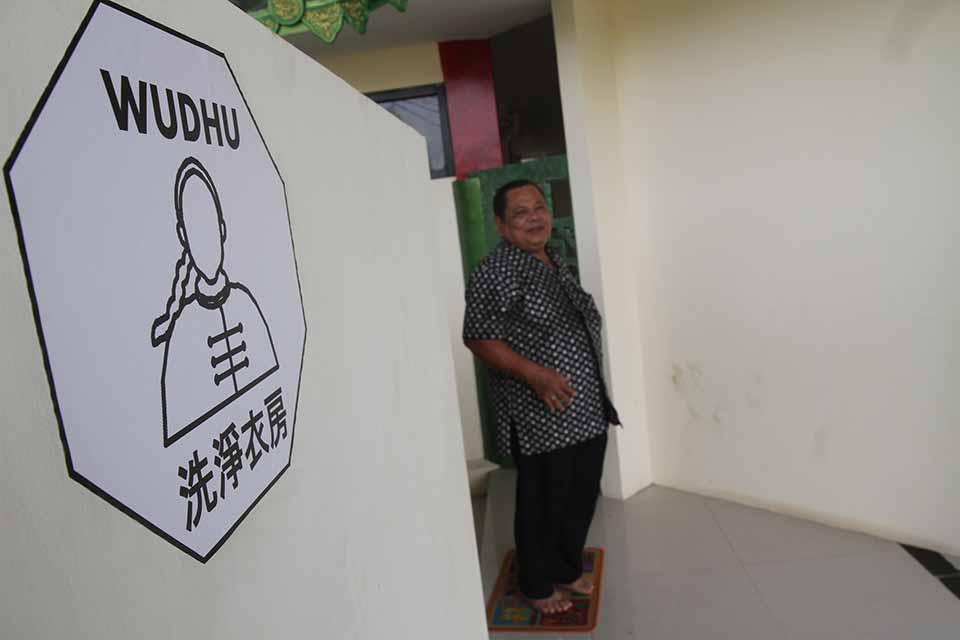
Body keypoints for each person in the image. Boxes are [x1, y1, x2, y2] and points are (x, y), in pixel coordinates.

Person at [462, 179, 620, 615]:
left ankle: (566, 569)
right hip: (542, 414)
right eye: (520, 213)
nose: (535, 217)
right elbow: (478, 338)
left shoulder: (553, 260)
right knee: (542, 502)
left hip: (586, 406)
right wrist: (537, 376)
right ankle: (535, 582)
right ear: (500, 224)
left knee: (581, 496)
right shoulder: (495, 270)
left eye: (539, 207)